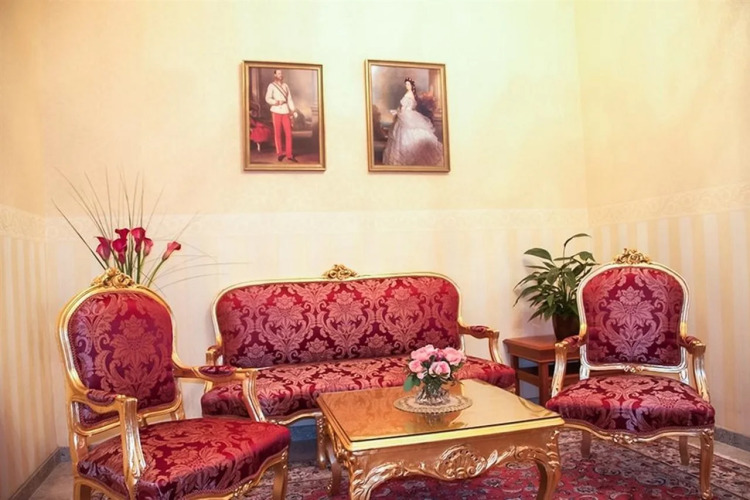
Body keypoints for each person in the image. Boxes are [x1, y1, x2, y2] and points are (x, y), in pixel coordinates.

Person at [382, 77, 443, 166]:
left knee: (405, 134)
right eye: (406, 84)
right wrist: (399, 111)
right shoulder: (412, 95)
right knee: (403, 134)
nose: (407, 86)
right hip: (409, 114)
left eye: (408, 84)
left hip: (406, 115)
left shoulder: (408, 95)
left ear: (411, 85)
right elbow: (409, 107)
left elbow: (403, 109)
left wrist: (396, 112)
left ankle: (406, 159)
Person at [265, 69, 298, 162]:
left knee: (288, 134)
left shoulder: (286, 86)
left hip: (285, 111)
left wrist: (293, 110)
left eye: (281, 73)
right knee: (278, 134)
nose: (280, 75)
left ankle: (289, 154)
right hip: (276, 111)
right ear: (275, 75)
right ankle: (279, 153)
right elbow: (267, 98)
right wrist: (276, 102)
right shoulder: (271, 86)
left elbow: (289, 99)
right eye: (278, 73)